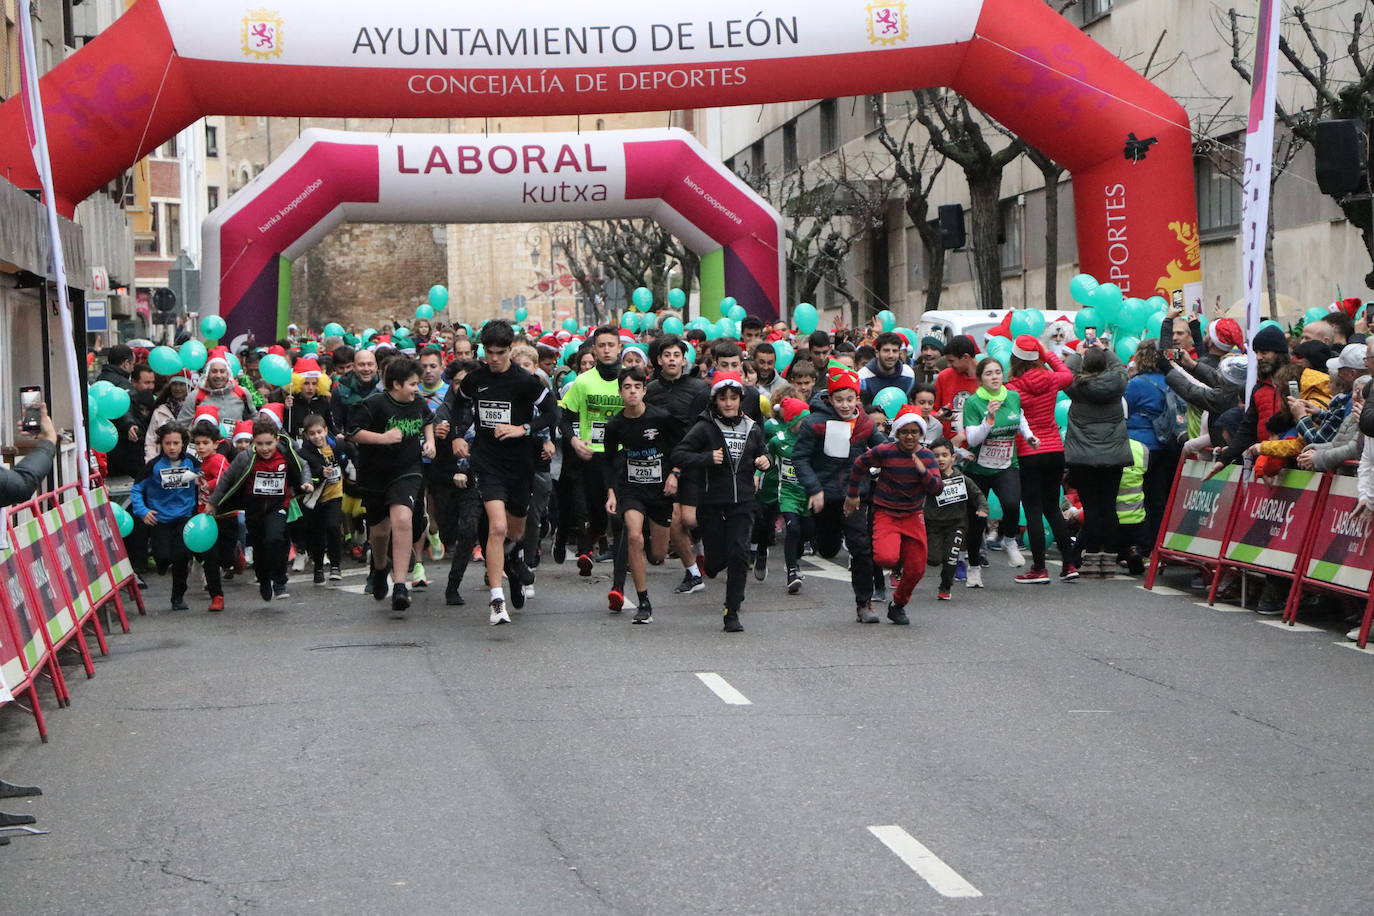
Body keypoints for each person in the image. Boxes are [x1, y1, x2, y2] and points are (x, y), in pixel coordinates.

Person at [451, 320, 561, 625]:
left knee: (514, 531)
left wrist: (522, 428)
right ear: (483, 350)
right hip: (487, 463)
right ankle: (496, 600)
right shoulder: (475, 380)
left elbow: (553, 413)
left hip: (519, 465)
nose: (495, 358)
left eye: (500, 352)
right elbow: (458, 405)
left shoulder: (526, 381)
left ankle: (512, 560)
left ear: (510, 350)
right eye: (490, 352)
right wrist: (458, 434)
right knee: (497, 527)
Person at [671, 371, 770, 633]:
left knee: (739, 552)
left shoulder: (752, 428)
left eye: (733, 398)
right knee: (715, 562)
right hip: (712, 500)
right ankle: (712, 565)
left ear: (740, 400)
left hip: (743, 500)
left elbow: (763, 452)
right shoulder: (705, 426)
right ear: (715, 401)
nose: (728, 403)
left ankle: (732, 610)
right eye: (723, 398)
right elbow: (679, 454)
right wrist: (705, 458)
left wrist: (765, 462)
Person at [792, 361, 886, 621]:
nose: (845, 405)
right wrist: (814, 489)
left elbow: (883, 449)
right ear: (829, 398)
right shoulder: (814, 423)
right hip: (825, 497)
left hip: (855, 496)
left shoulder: (865, 422)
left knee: (861, 548)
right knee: (828, 549)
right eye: (839, 399)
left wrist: (905, 451)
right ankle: (822, 542)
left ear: (858, 398)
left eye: (850, 399)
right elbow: (799, 458)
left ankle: (864, 604)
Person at [349, 356, 435, 613]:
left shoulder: (417, 402)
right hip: (375, 475)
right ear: (396, 384)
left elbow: (428, 420)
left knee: (402, 519)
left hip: (407, 471)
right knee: (379, 531)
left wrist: (430, 442)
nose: (416, 389)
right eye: (412, 384)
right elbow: (352, 433)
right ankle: (378, 568)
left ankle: (400, 585)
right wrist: (382, 438)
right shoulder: (374, 404)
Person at [845, 406, 943, 625]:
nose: (909, 436)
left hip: (913, 515)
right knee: (885, 558)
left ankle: (898, 605)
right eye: (904, 431)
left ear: (921, 434)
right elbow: (860, 463)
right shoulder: (886, 451)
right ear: (897, 433)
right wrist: (852, 494)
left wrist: (922, 471)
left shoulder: (926, 457)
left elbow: (937, 488)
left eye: (914, 432)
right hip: (886, 512)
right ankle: (897, 556)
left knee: (917, 569)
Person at [602, 366, 682, 622]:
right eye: (627, 387)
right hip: (631, 488)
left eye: (637, 387)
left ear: (644, 390)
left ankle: (648, 549)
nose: (632, 392)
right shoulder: (615, 425)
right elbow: (608, 461)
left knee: (657, 555)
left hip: (660, 490)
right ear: (620, 392)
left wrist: (675, 473)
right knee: (634, 536)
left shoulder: (661, 418)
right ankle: (643, 601)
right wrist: (612, 493)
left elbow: (680, 448)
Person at [209, 418, 312, 602]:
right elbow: (226, 479)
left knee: (276, 538)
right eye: (260, 444)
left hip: (278, 505)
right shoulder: (246, 457)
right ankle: (264, 580)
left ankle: (280, 582)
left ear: (277, 440)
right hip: (254, 508)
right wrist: (213, 502)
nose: (265, 448)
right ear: (253, 442)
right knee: (260, 547)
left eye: (269, 443)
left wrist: (306, 482)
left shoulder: (285, 453)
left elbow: (303, 465)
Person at [1006, 335, 1075, 583]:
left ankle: (1039, 568)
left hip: (1029, 451)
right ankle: (1069, 564)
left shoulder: (1012, 387)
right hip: (1055, 450)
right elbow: (1067, 373)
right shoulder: (1052, 379)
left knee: (1033, 510)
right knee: (1053, 508)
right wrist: (1047, 354)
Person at [961, 357, 1036, 583]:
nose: (994, 377)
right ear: (980, 378)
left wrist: (1029, 436)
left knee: (1012, 504)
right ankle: (974, 567)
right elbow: (972, 438)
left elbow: (1019, 419)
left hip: (1006, 464)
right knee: (976, 523)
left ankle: (1009, 540)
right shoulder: (974, 402)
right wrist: (989, 420)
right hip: (978, 469)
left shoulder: (1012, 396)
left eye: (997, 373)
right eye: (988, 374)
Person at [645, 335, 710, 594]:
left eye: (676, 355)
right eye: (667, 355)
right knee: (673, 523)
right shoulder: (650, 390)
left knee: (691, 519)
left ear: (684, 360)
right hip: (661, 461)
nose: (672, 359)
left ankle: (703, 544)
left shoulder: (699, 389)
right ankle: (693, 573)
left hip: (694, 460)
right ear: (659, 360)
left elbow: (706, 427)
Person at [559, 326, 625, 576]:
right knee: (597, 515)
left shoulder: (629, 381)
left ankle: (620, 566)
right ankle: (586, 549)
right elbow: (564, 418)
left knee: (620, 514)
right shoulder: (583, 382)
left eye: (611, 345)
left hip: (622, 454)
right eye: (601, 345)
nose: (607, 350)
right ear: (594, 350)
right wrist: (575, 441)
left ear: (619, 347)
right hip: (593, 454)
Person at [1064, 344, 1132, 577]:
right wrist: (1106, 350)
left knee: (1091, 508)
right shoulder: (1117, 386)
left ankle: (1091, 557)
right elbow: (1120, 369)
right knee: (1109, 507)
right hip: (1113, 456)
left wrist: (1077, 353)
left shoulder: (1076, 388)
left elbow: (1065, 372)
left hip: (1083, 457)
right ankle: (1110, 558)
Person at [130, 422, 200, 610]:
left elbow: (207, 478)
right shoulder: (153, 466)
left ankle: (178, 597)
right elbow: (136, 489)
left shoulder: (192, 463)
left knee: (180, 557)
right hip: (160, 519)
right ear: (161, 444)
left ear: (183, 444)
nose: (172, 447)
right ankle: (162, 562)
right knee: (163, 557)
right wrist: (143, 511)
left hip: (184, 517)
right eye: (168, 443)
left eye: (176, 443)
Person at [924, 437, 988, 601]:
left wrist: (982, 508)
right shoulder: (929, 479)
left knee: (951, 558)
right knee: (933, 559)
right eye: (936, 456)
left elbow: (977, 494)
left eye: (944, 455)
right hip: (933, 526)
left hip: (956, 525)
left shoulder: (962, 479)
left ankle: (945, 587)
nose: (940, 459)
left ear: (953, 457)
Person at [297, 414, 349, 585]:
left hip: (335, 494)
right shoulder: (304, 453)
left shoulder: (338, 445)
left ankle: (335, 566)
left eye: (319, 432)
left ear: (326, 430)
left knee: (333, 527)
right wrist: (320, 472)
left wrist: (351, 471)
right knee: (317, 534)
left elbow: (350, 457)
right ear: (306, 435)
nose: (317, 436)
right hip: (316, 498)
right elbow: (306, 473)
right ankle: (318, 567)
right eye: (312, 434)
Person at [190, 416, 234, 611]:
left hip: (225, 514)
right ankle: (216, 596)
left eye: (205, 443)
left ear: (216, 444)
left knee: (226, 558)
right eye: (197, 443)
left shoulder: (218, 459)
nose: (200, 447)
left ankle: (236, 556)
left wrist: (210, 485)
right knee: (210, 557)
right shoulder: (200, 463)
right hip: (206, 517)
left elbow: (226, 477)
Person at [934, 335, 980, 441]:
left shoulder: (986, 378)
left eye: (951, 361)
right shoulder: (944, 377)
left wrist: (963, 436)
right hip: (949, 447)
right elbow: (932, 408)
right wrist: (937, 416)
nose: (949, 365)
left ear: (966, 357)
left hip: (977, 446)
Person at [858, 332, 917, 408]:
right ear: (877, 353)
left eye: (895, 351)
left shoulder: (908, 374)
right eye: (886, 350)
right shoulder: (863, 377)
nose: (891, 355)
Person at [144, 372, 192, 461]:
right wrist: (151, 462)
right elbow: (151, 440)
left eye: (182, 384)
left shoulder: (195, 410)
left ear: (189, 386)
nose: (177, 388)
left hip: (189, 461)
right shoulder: (160, 411)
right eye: (174, 384)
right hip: (163, 462)